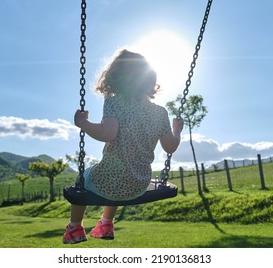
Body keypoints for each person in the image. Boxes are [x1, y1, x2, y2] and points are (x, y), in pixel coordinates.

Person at [63, 49, 184, 244]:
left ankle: (74, 228)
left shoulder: (114, 102)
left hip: (109, 179)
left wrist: (83, 124)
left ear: (116, 77)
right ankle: (106, 224)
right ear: (149, 79)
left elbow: (107, 133)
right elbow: (170, 147)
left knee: (82, 180)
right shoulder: (160, 113)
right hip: (138, 184)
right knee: (120, 172)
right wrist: (177, 130)